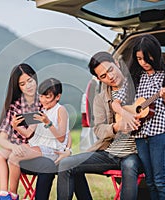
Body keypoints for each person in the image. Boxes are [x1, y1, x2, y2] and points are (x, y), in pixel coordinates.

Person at [57, 51, 142, 200]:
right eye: (103, 76)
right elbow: (98, 129)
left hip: (134, 153)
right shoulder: (100, 99)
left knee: (129, 166)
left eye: (110, 70)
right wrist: (116, 127)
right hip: (108, 152)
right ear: (98, 79)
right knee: (66, 164)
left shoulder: (138, 86)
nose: (110, 77)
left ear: (116, 64)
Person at [112, 34, 165, 200]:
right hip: (140, 134)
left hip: (160, 132)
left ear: (155, 55)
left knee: (160, 179)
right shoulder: (135, 78)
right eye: (139, 59)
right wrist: (126, 115)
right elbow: (115, 103)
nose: (143, 63)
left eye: (146, 58)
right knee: (150, 181)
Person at [0, 64, 58, 200]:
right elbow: (2, 139)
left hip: (39, 149)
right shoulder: (14, 107)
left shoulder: (44, 102)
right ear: (18, 87)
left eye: (30, 80)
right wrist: (14, 146)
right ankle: (4, 194)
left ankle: (12, 195)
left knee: (16, 156)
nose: (28, 86)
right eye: (22, 84)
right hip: (20, 151)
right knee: (1, 153)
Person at [8, 77, 71, 199]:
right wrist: (16, 126)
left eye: (48, 97)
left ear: (57, 96)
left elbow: (62, 137)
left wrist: (48, 122)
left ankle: (12, 196)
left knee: (14, 156)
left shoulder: (60, 110)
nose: (43, 100)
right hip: (40, 148)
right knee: (14, 154)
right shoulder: (41, 111)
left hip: (53, 150)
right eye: (41, 96)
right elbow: (28, 134)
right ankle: (11, 194)